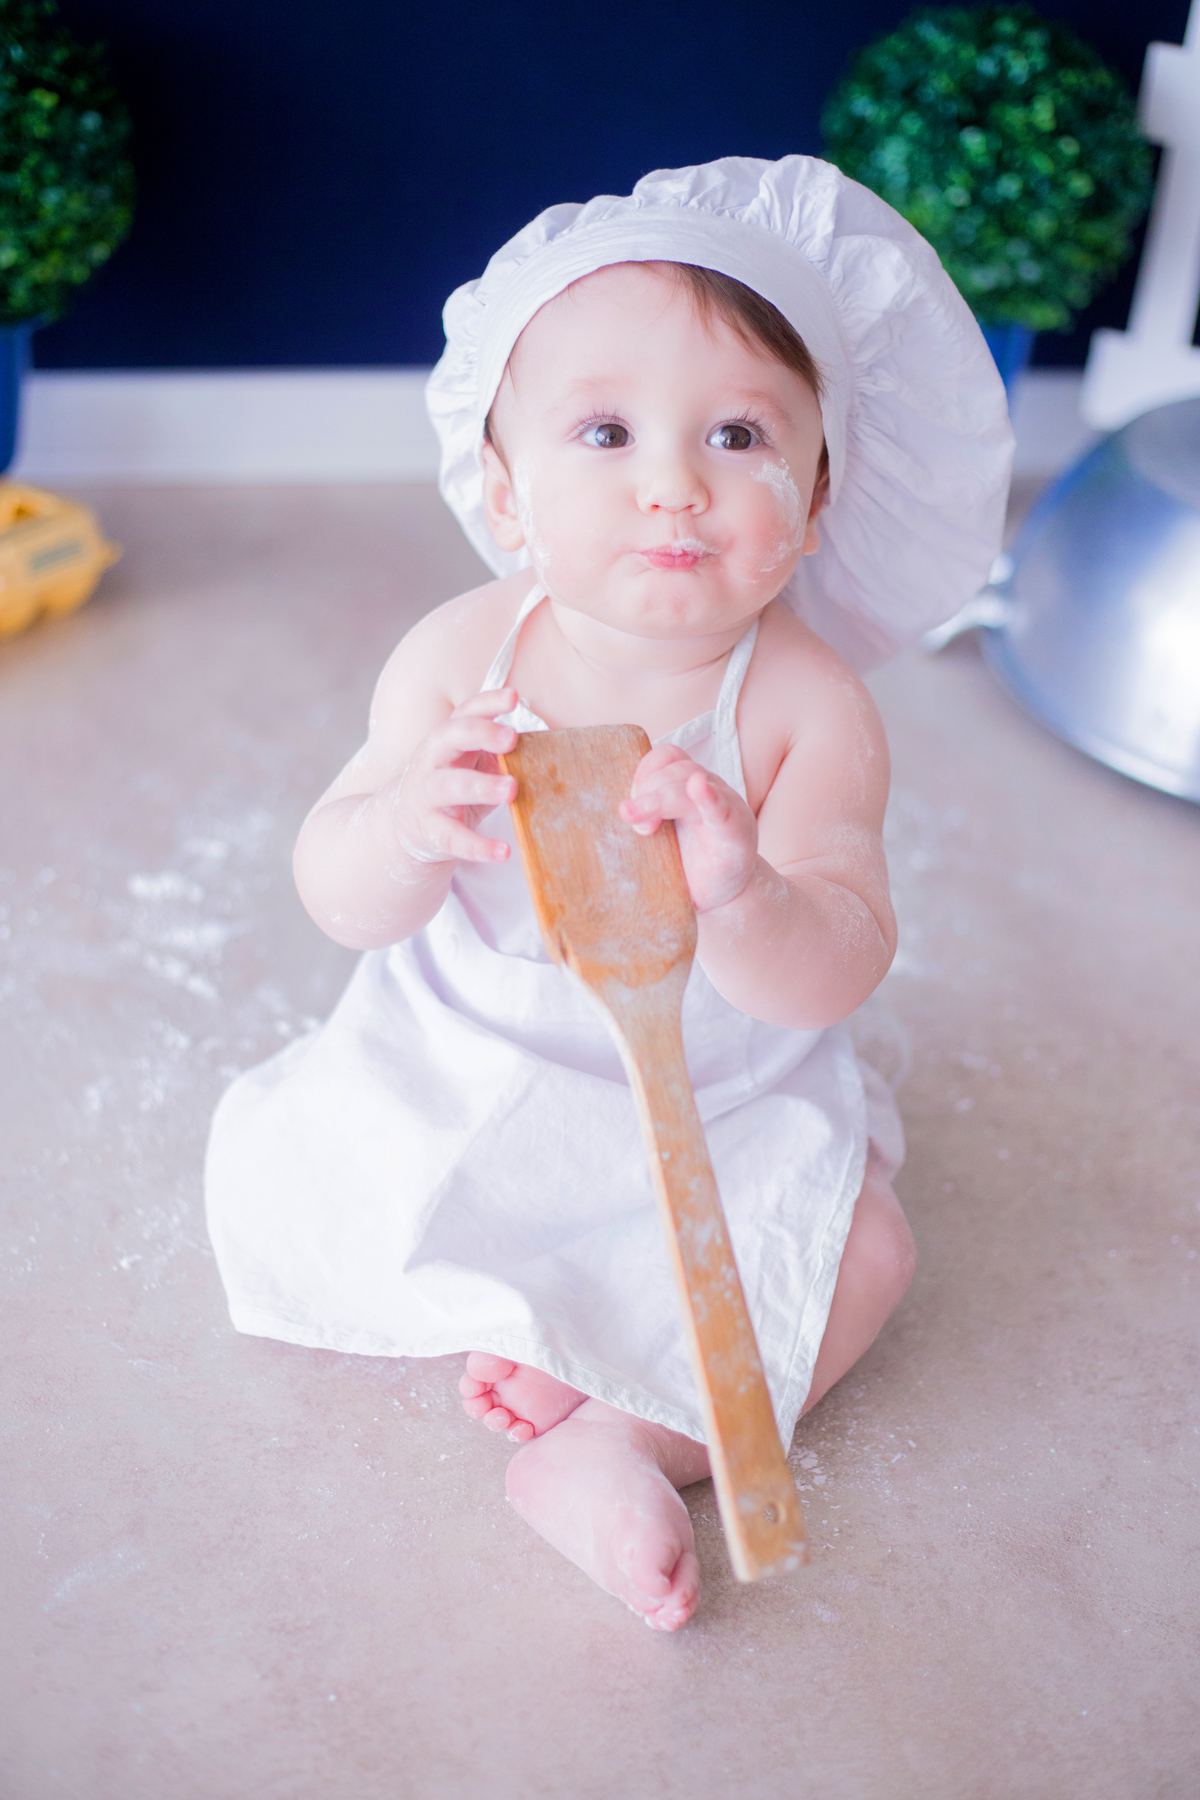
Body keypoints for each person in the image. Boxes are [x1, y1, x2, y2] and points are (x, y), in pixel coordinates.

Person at [206, 155, 1012, 1631]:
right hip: (469, 1064)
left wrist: (750, 892)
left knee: (869, 1252)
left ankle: (628, 1439)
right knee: (368, 1182)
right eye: (605, 430)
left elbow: (840, 959)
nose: (672, 482)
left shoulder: (806, 710)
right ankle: (558, 1309)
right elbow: (337, 890)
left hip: (721, 1086)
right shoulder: (463, 654)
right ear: (506, 493)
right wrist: (406, 823)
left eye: (737, 434)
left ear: (820, 494)